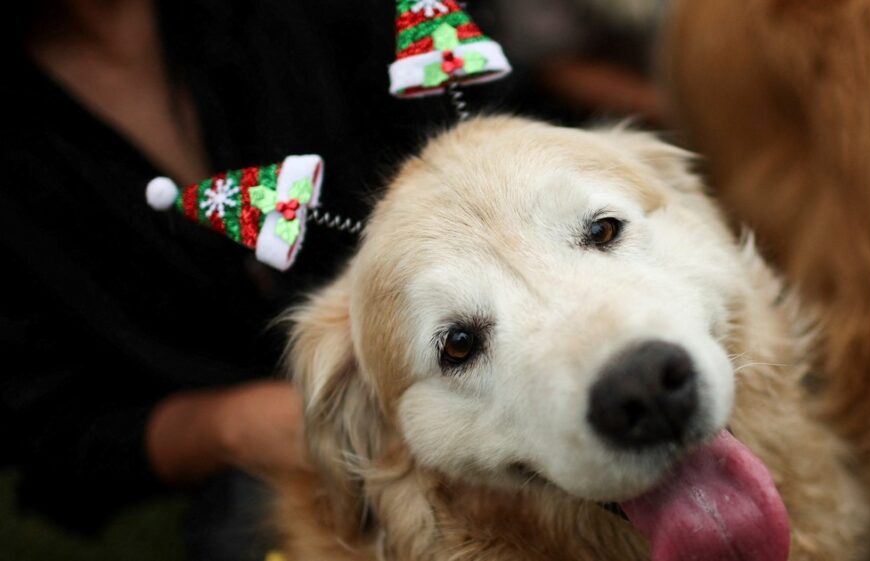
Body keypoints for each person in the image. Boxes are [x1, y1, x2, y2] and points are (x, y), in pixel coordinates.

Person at [0, 0, 521, 555]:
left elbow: (507, 142)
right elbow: (58, 429)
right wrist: (233, 425)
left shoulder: (339, 23)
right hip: (282, 466)